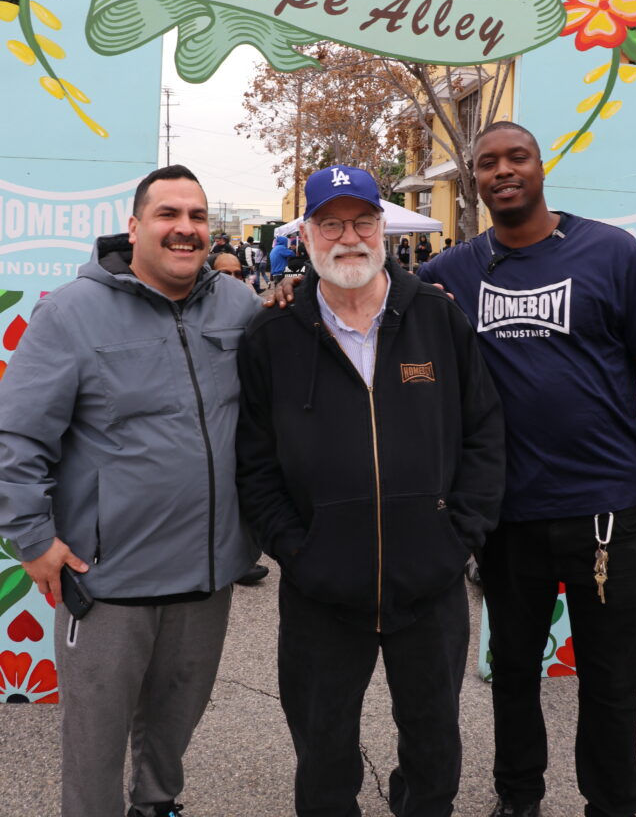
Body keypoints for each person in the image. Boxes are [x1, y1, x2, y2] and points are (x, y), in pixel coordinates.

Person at [418, 122, 636, 817]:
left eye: (516, 158)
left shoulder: (609, 251)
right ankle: (517, 797)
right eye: (486, 164)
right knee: (512, 671)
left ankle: (612, 803)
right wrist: (290, 290)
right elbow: (367, 305)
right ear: (472, 179)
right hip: (505, 514)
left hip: (603, 510)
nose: (502, 171)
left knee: (608, 677)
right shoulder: (450, 272)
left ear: (540, 166)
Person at [237, 164, 506, 817]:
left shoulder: (439, 321)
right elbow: (254, 463)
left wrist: (457, 537)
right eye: (331, 223)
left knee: (435, 749)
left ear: (382, 229)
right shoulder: (271, 335)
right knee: (324, 760)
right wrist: (296, 552)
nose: (347, 236)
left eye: (361, 221)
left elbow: (484, 435)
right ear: (304, 234)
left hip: (430, 585)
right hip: (320, 593)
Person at [0, 164, 262, 817]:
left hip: (208, 573)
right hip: (108, 580)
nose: (185, 228)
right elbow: (16, 436)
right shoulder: (70, 313)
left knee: (176, 719)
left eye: (197, 217)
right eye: (169, 214)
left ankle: (156, 804)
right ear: (134, 226)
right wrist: (33, 541)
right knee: (95, 742)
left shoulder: (238, 306)